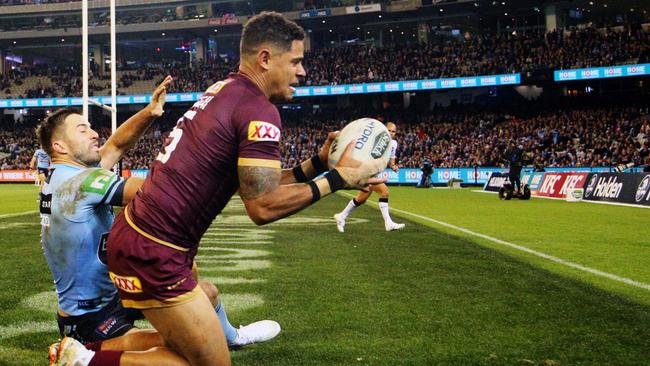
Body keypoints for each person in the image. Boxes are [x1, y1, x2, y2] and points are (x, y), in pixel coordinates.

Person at [45, 11, 391, 366]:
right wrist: (339, 178)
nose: (302, 72)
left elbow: (255, 185)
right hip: (153, 250)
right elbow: (262, 206)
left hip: (149, 241)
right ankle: (82, 362)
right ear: (266, 59)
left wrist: (317, 165)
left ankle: (88, 352)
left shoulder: (226, 90)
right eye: (296, 61)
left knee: (203, 309)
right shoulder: (258, 110)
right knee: (205, 363)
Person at [43, 77, 279, 366]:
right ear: (59, 146)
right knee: (192, 352)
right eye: (83, 130)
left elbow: (116, 145)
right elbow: (155, 193)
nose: (94, 134)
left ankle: (233, 338)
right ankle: (83, 358)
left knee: (206, 294)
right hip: (92, 319)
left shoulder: (64, 177)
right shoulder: (82, 181)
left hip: (111, 298)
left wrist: (150, 112)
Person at [334, 122, 405, 232]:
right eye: (389, 130)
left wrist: (394, 167)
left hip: (374, 173)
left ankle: (341, 216)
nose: (390, 133)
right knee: (384, 192)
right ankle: (388, 223)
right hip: (366, 171)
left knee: (361, 199)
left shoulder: (394, 144)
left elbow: (391, 162)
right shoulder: (375, 140)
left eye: (393, 131)